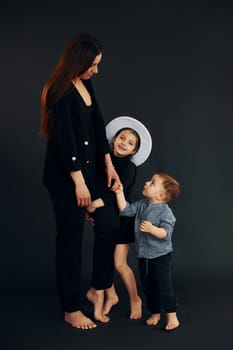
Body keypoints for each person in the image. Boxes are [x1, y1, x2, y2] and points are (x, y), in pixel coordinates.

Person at [40, 33, 120, 330]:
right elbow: (65, 141)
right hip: (67, 178)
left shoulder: (86, 83)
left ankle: (97, 287)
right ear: (79, 61)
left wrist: (108, 164)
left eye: (97, 65)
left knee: (110, 225)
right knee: (71, 242)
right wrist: (79, 183)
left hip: (90, 173)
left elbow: (97, 125)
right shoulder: (59, 91)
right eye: (93, 65)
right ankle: (71, 307)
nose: (96, 70)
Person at [85, 116, 152, 323]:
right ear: (114, 139)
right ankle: (109, 293)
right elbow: (94, 184)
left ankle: (134, 299)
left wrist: (96, 204)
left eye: (130, 143)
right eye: (122, 138)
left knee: (120, 264)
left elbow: (116, 192)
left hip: (123, 216)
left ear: (134, 151)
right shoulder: (102, 160)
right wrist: (91, 206)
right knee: (106, 250)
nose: (124, 143)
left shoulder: (128, 167)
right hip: (105, 213)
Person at [113, 172, 180, 331]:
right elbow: (126, 210)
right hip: (144, 257)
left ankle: (172, 315)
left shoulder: (165, 212)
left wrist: (152, 229)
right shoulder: (143, 204)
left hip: (161, 257)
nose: (146, 183)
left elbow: (166, 234)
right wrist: (119, 192)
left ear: (161, 196)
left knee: (164, 287)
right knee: (148, 287)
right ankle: (155, 312)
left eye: (152, 183)